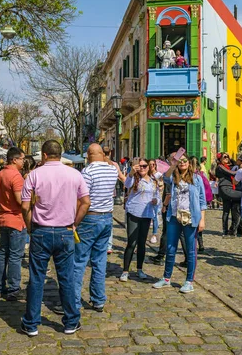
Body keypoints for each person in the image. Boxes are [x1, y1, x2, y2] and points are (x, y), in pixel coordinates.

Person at [20, 140, 90, 337]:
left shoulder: (34, 174)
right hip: (65, 231)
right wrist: (75, 223)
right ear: (60, 154)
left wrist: (29, 227)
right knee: (66, 278)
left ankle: (32, 323)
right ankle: (70, 321)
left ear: (43, 155)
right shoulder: (74, 174)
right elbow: (86, 202)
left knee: (36, 278)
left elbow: (25, 206)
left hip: (41, 230)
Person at [74, 144, 120, 313]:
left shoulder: (87, 172)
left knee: (79, 260)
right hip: (106, 217)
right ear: (102, 154)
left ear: (88, 155)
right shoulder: (113, 170)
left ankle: (75, 300)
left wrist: (75, 221)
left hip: (90, 217)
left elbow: (82, 199)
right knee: (100, 261)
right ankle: (98, 299)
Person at [153, 153, 206, 293]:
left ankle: (189, 281)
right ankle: (166, 278)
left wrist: (202, 219)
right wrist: (173, 163)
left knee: (190, 250)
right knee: (170, 248)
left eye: (184, 161)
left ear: (189, 163)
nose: (182, 163)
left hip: (191, 217)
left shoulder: (197, 178)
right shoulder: (173, 177)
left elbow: (202, 201)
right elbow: (164, 177)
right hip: (174, 216)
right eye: (180, 161)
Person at [0, 147, 27, 300]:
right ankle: (13, 289)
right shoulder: (16, 176)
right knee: (15, 255)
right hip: (15, 218)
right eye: (22, 158)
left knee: (3, 254)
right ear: (14, 160)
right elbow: (20, 201)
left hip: (3, 217)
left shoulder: (0, 174)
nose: (24, 161)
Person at [121, 158, 160, 281]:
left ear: (149, 167)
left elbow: (158, 196)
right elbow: (127, 184)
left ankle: (139, 269)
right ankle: (125, 271)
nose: (142, 168)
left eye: (144, 166)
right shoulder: (134, 179)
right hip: (134, 212)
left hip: (147, 214)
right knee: (132, 242)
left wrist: (156, 201)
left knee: (142, 243)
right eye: (140, 166)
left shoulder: (153, 181)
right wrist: (132, 172)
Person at [215, 153, 242, 237]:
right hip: (225, 189)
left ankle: (229, 230)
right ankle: (226, 230)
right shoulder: (220, 167)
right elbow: (231, 173)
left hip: (230, 188)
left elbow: (233, 167)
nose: (227, 158)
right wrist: (241, 169)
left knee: (227, 210)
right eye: (224, 157)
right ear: (220, 159)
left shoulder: (228, 166)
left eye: (228, 156)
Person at [190, 156, 213, 252]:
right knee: (199, 226)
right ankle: (201, 245)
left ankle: (194, 245)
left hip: (195, 205)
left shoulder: (196, 177)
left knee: (193, 226)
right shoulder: (202, 175)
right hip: (202, 204)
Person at [149, 159, 163, 245]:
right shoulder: (146, 174)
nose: (151, 166)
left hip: (155, 197)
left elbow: (161, 187)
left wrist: (157, 182)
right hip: (146, 198)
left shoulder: (159, 175)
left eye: (153, 164)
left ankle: (154, 234)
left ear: (155, 165)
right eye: (149, 165)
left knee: (154, 217)